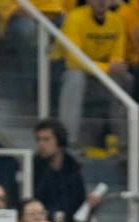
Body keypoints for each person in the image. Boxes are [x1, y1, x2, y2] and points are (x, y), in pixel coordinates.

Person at [57, 0, 130, 144]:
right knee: (75, 77)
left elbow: (117, 58)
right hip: (64, 70)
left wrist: (109, 68)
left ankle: (121, 143)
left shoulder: (116, 21)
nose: (101, 2)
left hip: (97, 74)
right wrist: (106, 68)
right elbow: (73, 60)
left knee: (126, 78)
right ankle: (66, 140)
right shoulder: (75, 17)